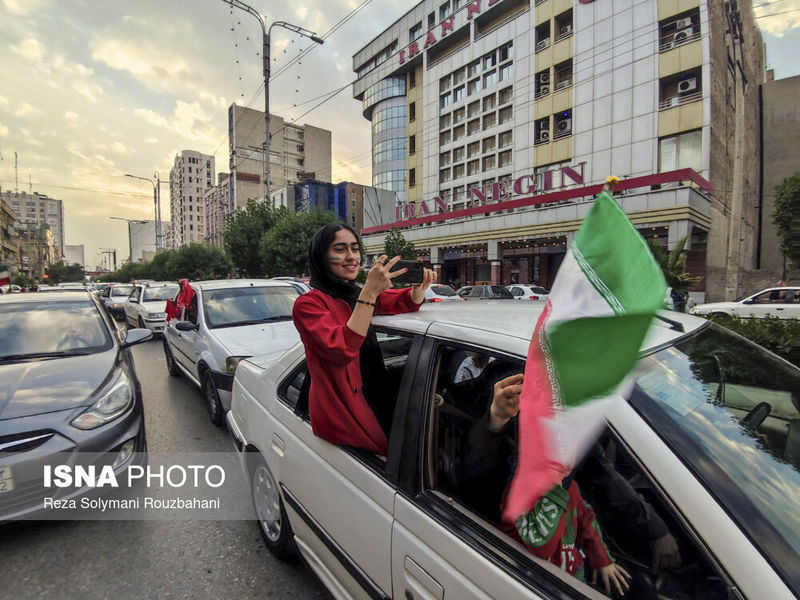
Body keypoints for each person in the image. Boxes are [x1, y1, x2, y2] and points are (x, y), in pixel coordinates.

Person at [292, 222, 436, 455]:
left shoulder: (354, 294)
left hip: (376, 396)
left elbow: (392, 302)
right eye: (340, 249)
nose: (351, 257)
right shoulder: (309, 304)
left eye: (355, 248)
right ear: (321, 256)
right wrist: (369, 291)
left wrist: (417, 291)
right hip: (344, 416)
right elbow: (341, 349)